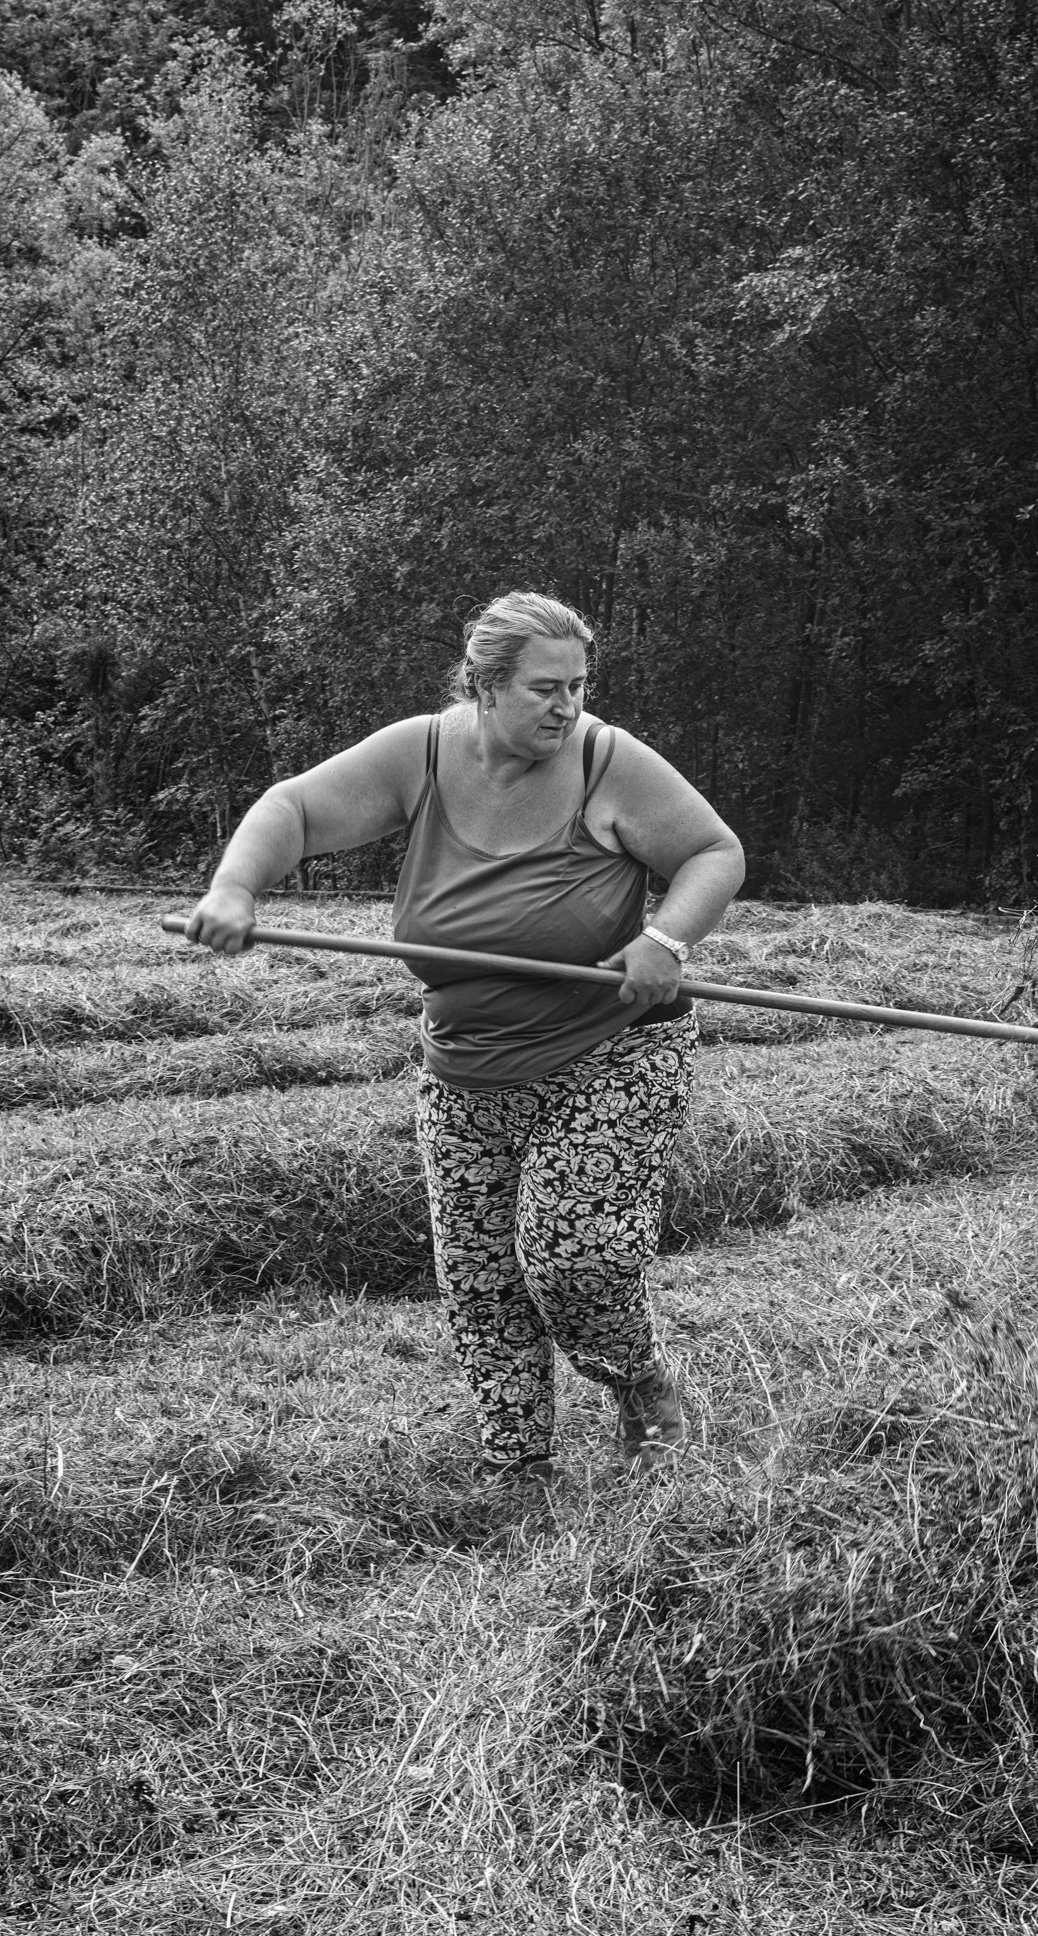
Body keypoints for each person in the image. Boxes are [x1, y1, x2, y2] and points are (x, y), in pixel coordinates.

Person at [184, 590, 745, 1487]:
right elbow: (292, 810)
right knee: (483, 1281)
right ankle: (515, 1470)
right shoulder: (423, 752)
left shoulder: (608, 763)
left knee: (576, 1261)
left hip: (610, 1051)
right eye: (544, 688)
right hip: (468, 1065)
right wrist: (236, 890)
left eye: (577, 685)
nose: (567, 706)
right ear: (483, 686)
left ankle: (639, 1383)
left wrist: (664, 941)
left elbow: (714, 853)